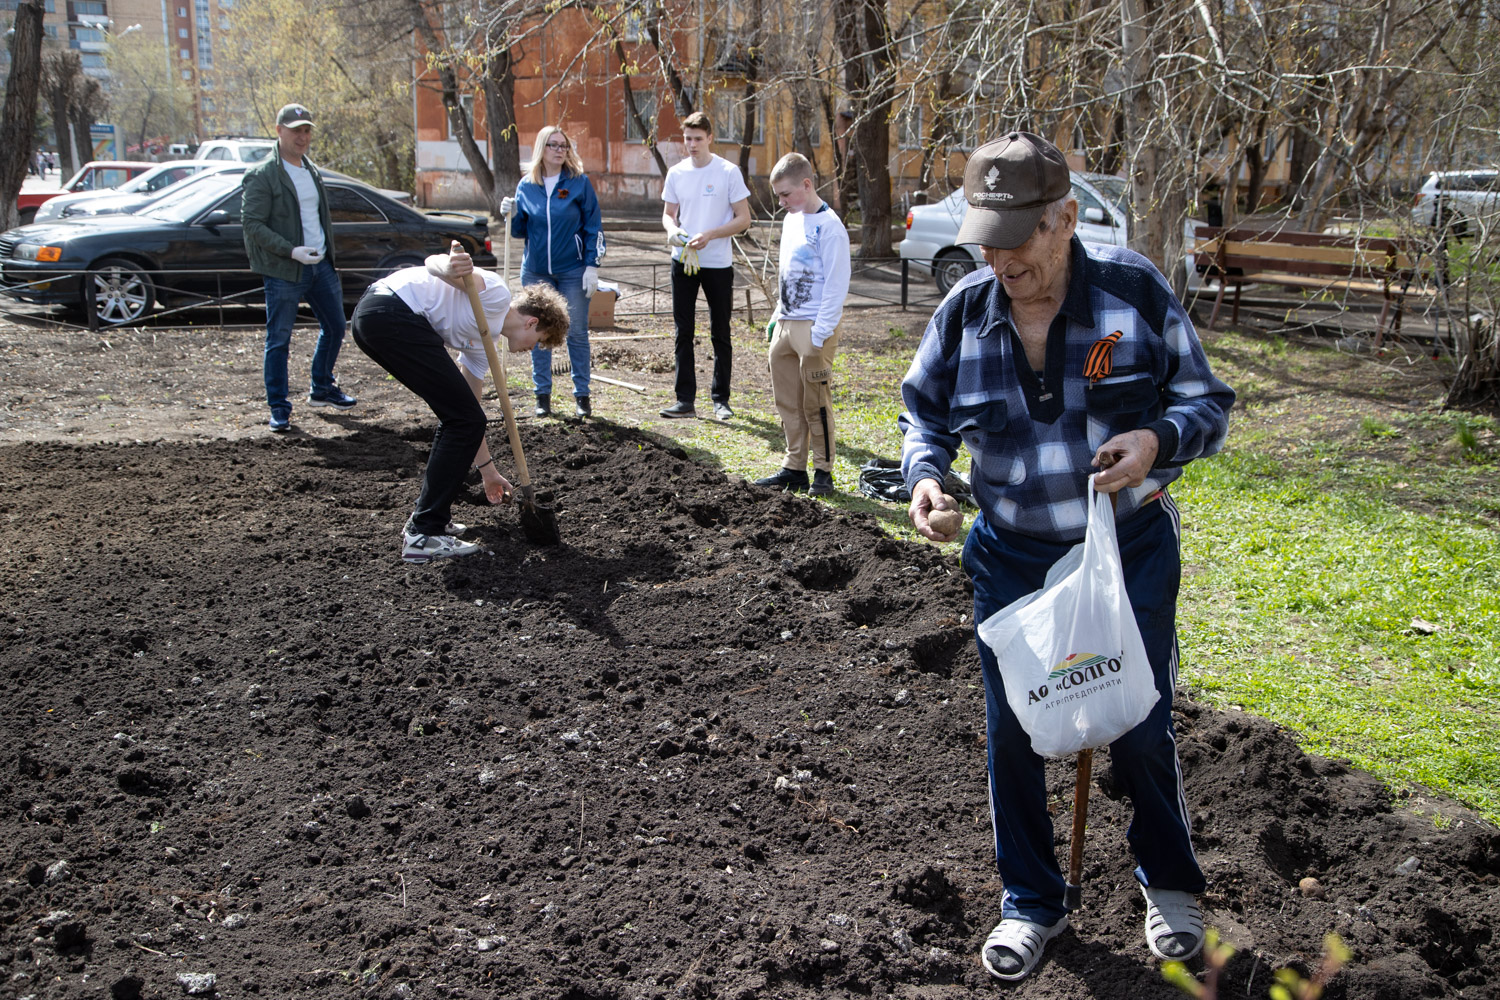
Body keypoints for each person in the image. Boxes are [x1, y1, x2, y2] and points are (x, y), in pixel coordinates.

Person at [899, 132, 1235, 983]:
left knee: (1140, 726)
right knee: (1013, 732)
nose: (1000, 257)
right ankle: (1031, 901)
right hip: (1010, 554)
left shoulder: (1133, 292)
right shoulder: (964, 312)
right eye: (987, 239)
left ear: (1066, 220)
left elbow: (1207, 401)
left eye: (1018, 238)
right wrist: (928, 478)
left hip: (1125, 550)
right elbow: (923, 416)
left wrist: (1157, 438)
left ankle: (1170, 886)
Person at [351, 241, 570, 564]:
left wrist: (488, 472)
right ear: (532, 323)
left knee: (460, 417)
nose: (532, 350)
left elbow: (470, 414)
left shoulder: (483, 345)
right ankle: (424, 532)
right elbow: (433, 261)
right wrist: (451, 266)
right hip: (390, 312)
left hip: (380, 319)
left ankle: (430, 520)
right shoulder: (494, 295)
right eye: (538, 343)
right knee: (462, 419)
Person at [242, 102, 354, 433]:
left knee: (335, 326)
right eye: (296, 131)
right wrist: (291, 251)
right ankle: (279, 407)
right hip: (284, 270)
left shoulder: (311, 170)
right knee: (279, 339)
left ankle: (321, 388)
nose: (303, 137)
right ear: (279, 132)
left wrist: (324, 255)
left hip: (321, 266)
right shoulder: (263, 175)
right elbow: (252, 224)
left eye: (306, 130)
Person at [752, 153, 850, 496]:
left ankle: (823, 471)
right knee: (788, 402)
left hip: (814, 326)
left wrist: (820, 334)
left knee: (815, 402)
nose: (781, 203)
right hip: (786, 324)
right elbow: (788, 273)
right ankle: (794, 467)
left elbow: (836, 285)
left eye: (785, 195)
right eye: (778, 196)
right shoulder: (791, 221)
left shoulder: (830, 227)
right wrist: (777, 316)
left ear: (806, 185)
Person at [500, 125, 603, 420]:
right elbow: (519, 230)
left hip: (573, 270)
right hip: (535, 271)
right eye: (553, 145)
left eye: (564, 146)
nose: (559, 150)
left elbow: (594, 226)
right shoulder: (526, 186)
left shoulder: (579, 184)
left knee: (577, 332)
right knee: (536, 330)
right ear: (541, 149)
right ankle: (542, 396)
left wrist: (592, 265)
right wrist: (511, 212)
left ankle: (582, 396)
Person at [659, 111, 751, 421]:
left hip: (717, 263)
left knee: (720, 331)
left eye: (698, 138)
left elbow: (743, 218)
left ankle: (720, 399)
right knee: (683, 330)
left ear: (710, 138)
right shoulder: (677, 173)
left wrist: (712, 233)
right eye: (688, 139)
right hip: (683, 260)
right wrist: (672, 231)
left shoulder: (728, 172)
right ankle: (684, 400)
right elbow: (669, 214)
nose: (693, 144)